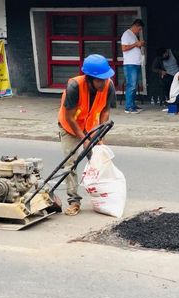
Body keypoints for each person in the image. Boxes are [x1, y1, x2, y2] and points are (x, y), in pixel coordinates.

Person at [58, 54, 115, 216]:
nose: (104, 83)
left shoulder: (108, 85)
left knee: (98, 161)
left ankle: (103, 197)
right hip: (70, 127)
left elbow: (105, 111)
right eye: (100, 80)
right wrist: (83, 139)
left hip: (91, 128)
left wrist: (100, 135)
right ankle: (74, 201)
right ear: (90, 79)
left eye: (105, 79)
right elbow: (69, 117)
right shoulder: (74, 86)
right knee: (70, 163)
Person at [121, 19, 145, 114]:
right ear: (135, 26)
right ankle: (128, 107)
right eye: (139, 29)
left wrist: (139, 45)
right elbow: (124, 48)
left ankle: (132, 104)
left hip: (136, 63)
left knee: (134, 85)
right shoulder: (126, 34)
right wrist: (136, 44)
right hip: (130, 64)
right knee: (131, 85)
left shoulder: (133, 35)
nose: (139, 31)